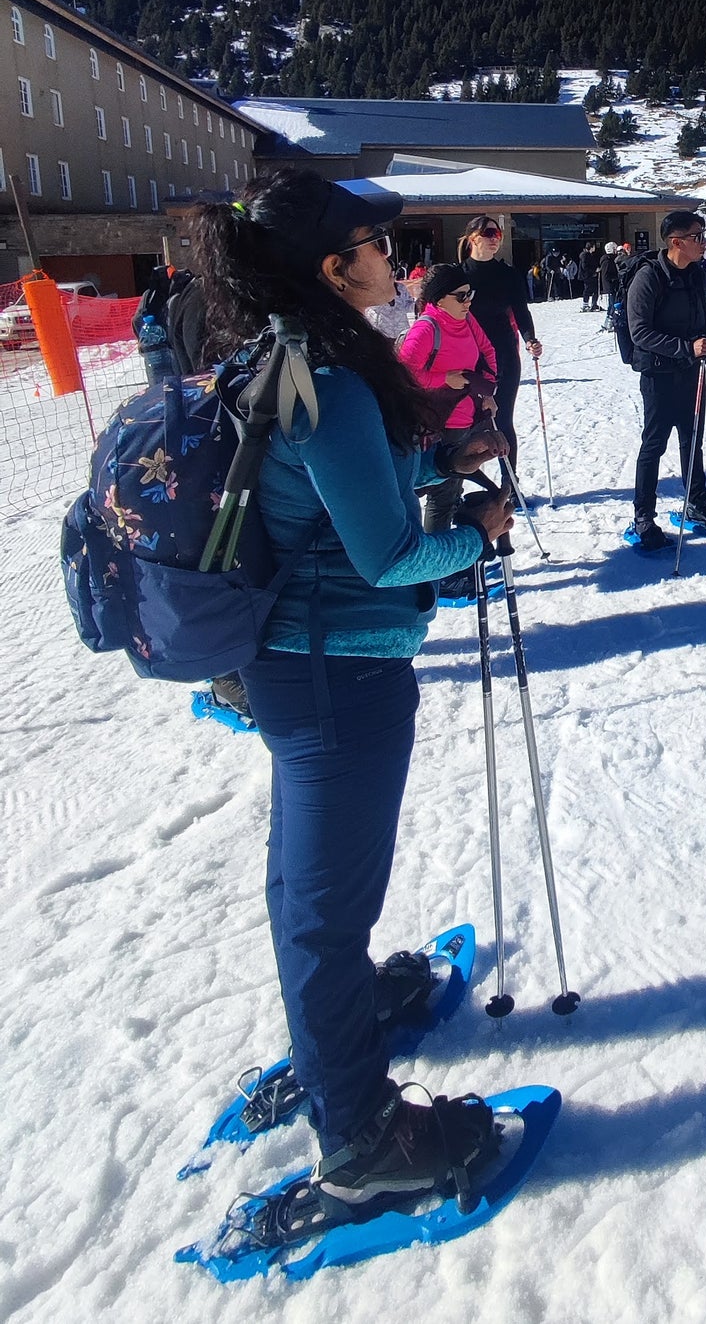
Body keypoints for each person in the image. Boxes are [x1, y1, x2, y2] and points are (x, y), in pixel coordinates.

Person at [190, 168, 513, 1230]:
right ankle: (359, 1141)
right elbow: (382, 553)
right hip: (338, 674)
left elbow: (338, 479)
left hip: (305, 668)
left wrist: (434, 446)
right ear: (336, 270)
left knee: (306, 892)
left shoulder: (289, 352)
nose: (394, 257)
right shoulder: (323, 375)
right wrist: (477, 536)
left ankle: (341, 1018)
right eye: (376, 243)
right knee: (321, 912)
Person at [625, 209, 706, 551]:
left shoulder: (697, 273)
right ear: (676, 242)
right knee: (654, 445)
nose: (704, 243)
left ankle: (696, 503)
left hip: (691, 368)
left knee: (692, 438)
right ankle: (643, 517)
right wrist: (686, 346)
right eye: (697, 237)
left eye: (703, 235)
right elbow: (639, 332)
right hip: (658, 372)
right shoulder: (649, 277)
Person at [397, 261, 498, 543]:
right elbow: (402, 375)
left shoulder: (465, 319)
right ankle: (439, 573)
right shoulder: (426, 328)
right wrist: (443, 379)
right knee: (442, 497)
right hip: (438, 422)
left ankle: (445, 566)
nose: (468, 302)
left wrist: (488, 391)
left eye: (470, 294)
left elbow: (488, 350)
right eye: (461, 296)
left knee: (452, 493)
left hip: (466, 416)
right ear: (439, 298)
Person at [457, 214, 542, 479]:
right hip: (466, 356)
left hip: (503, 353)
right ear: (473, 238)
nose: (495, 239)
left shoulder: (508, 274)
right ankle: (458, 484)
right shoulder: (457, 274)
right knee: (463, 424)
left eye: (498, 235)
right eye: (488, 234)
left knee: (503, 420)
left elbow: (521, 311)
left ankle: (510, 483)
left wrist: (530, 339)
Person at [365, 271, 415, 343]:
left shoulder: (400, 287)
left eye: (392, 274)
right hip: (382, 332)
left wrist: (415, 305)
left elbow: (408, 304)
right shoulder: (373, 290)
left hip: (401, 330)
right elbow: (371, 309)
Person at [579, 242, 600, 312]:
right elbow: (584, 266)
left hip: (592, 275)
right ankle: (585, 304)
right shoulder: (585, 255)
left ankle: (594, 304)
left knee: (595, 290)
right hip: (587, 275)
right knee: (587, 289)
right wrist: (594, 270)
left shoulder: (591, 255)